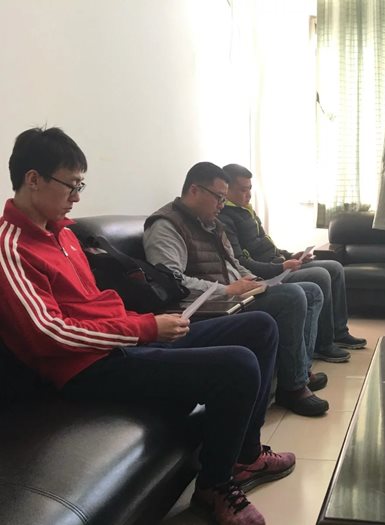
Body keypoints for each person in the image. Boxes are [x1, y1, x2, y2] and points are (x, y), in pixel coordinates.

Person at [0, 127, 294, 525]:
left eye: (80, 186)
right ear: (33, 179)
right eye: (71, 185)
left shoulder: (65, 235)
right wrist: (145, 329)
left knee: (259, 326)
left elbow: (95, 307)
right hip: (86, 367)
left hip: (120, 343)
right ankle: (214, 485)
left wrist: (144, 324)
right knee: (237, 365)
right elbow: (51, 332)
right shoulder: (11, 246)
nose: (77, 197)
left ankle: (246, 456)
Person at [143, 162, 330, 417]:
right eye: (219, 197)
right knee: (293, 296)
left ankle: (299, 371)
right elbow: (171, 282)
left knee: (311, 291)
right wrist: (227, 289)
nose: (222, 204)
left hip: (236, 296)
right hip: (212, 307)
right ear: (195, 190)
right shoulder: (166, 226)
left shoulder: (211, 223)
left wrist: (254, 280)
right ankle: (293, 387)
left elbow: (233, 263)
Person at [218, 164, 366, 363]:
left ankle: (339, 332)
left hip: (278, 265)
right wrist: (281, 267)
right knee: (321, 275)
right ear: (226, 190)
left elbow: (267, 246)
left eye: (250, 188)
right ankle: (323, 345)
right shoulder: (225, 218)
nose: (249, 195)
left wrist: (290, 255)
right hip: (269, 274)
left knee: (334, 267)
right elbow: (241, 262)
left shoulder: (247, 211)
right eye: (243, 190)